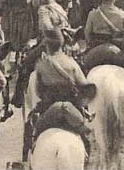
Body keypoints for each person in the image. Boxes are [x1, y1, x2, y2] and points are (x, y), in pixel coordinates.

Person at [26, 28, 94, 160]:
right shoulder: (72, 64)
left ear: (46, 45)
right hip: (72, 111)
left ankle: (28, 156)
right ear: (62, 44)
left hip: (48, 111)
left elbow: (38, 91)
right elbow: (85, 88)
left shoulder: (41, 65)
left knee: (33, 134)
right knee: (86, 141)